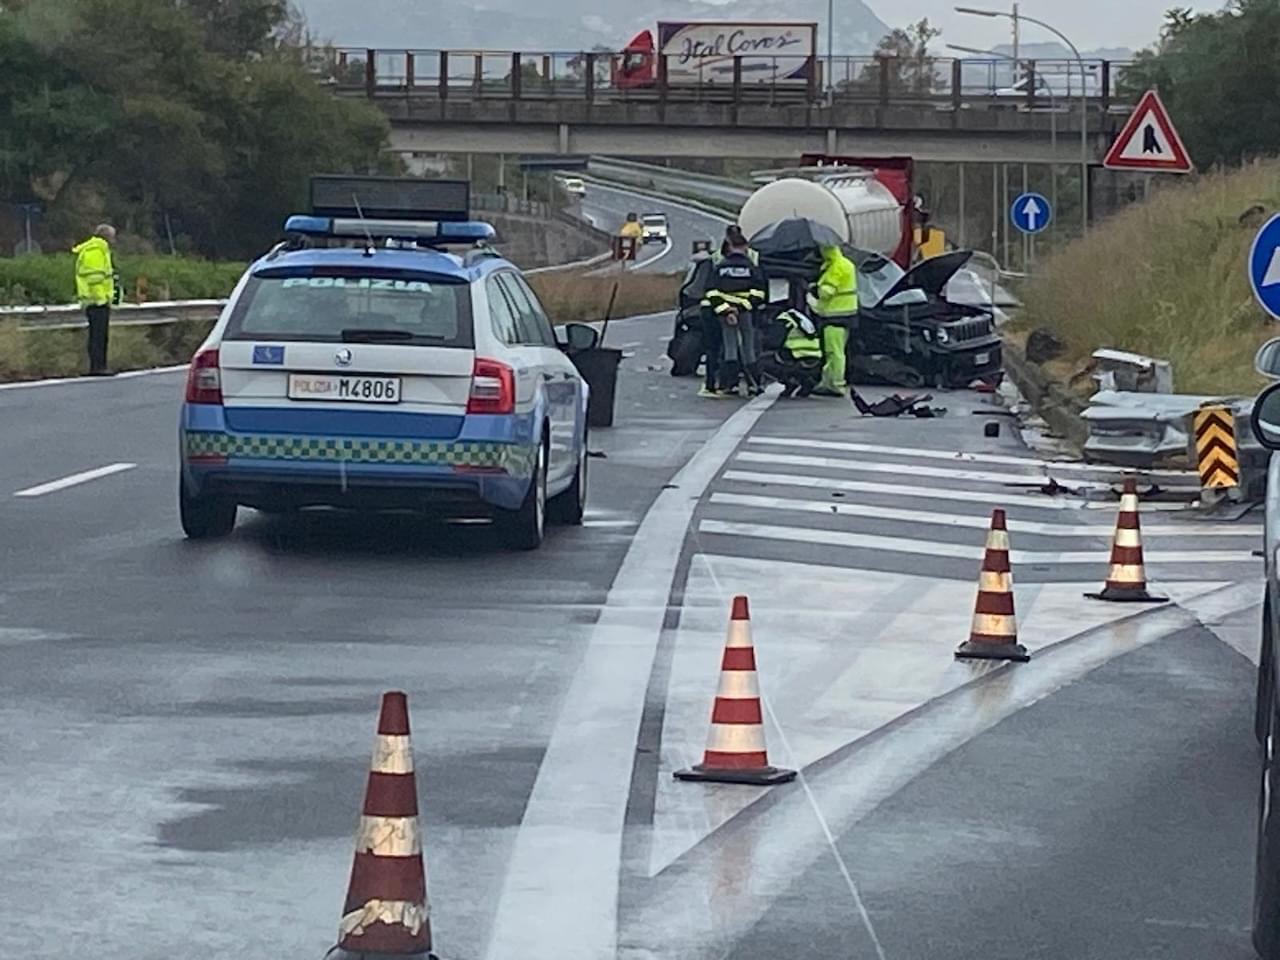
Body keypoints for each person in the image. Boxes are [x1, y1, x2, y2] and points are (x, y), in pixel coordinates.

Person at [702, 225, 767, 397]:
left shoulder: (721, 266)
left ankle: (730, 384)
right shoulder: (751, 266)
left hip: (726, 314)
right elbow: (759, 292)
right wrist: (741, 308)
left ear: (729, 246)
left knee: (730, 347)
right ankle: (754, 385)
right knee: (748, 347)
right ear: (745, 247)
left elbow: (711, 291)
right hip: (744, 313)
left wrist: (726, 311)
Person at [810, 243, 858, 397]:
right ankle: (829, 382)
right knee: (836, 351)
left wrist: (815, 286)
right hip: (844, 316)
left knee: (834, 352)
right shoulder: (846, 264)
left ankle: (835, 384)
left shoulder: (836, 267)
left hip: (835, 315)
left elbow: (826, 292)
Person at [73, 223, 117, 376]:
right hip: (96, 301)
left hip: (96, 300)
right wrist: (102, 299)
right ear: (107, 237)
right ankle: (98, 366)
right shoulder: (96, 251)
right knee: (98, 336)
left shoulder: (99, 249)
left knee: (99, 335)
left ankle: (100, 365)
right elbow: (95, 278)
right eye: (113, 237)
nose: (114, 240)